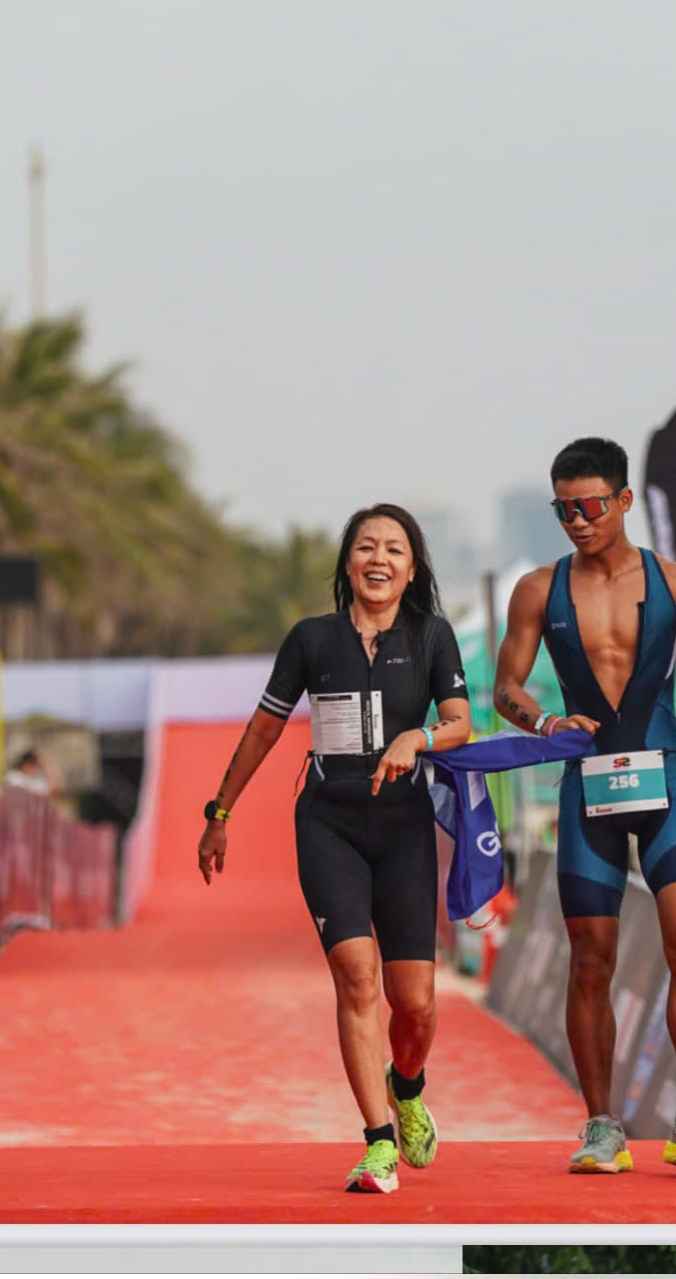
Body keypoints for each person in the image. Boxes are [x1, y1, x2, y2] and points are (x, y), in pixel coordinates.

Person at [196, 503, 472, 1196]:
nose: (379, 560)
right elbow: (264, 729)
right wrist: (220, 811)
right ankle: (378, 1143)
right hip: (329, 825)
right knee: (356, 977)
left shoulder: (432, 636)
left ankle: (406, 1086)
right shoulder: (311, 639)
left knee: (415, 1004)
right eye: (366, 547)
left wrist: (417, 738)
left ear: (412, 569)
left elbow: (460, 723)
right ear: (347, 563)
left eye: (394, 550)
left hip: (404, 830)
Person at [493, 437, 676, 1176]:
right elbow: (508, 688)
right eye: (563, 510)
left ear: (624, 501)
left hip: (665, 780)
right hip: (589, 785)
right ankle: (601, 1126)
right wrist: (546, 722)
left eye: (590, 506)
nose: (577, 521)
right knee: (590, 961)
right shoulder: (538, 590)